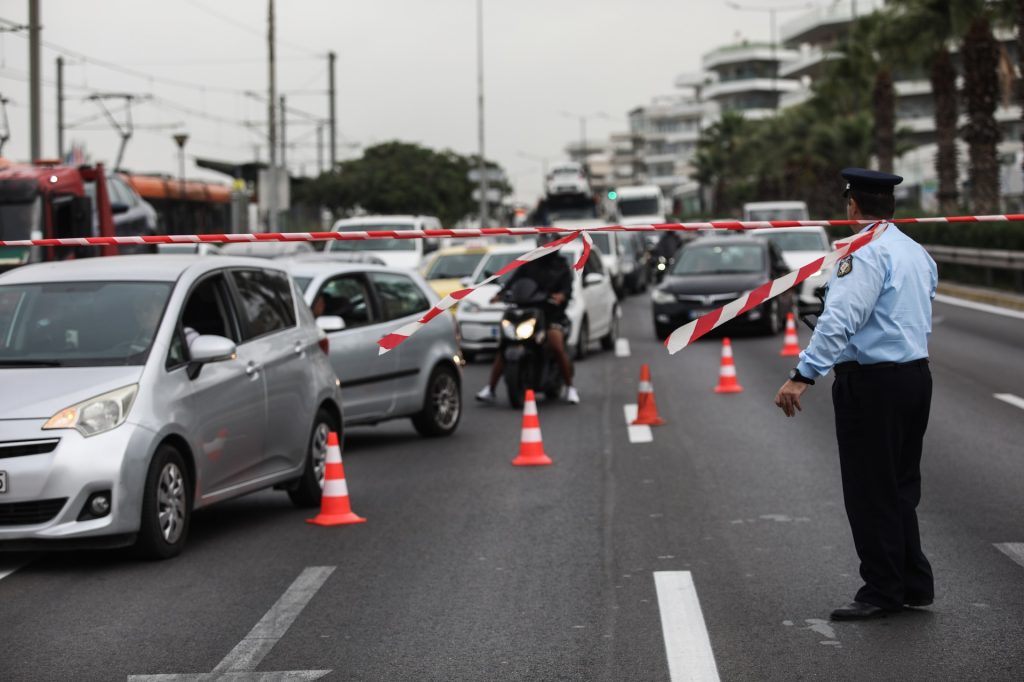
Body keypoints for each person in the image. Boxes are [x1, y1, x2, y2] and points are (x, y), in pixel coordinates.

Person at [773, 168, 938, 621]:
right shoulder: (916, 251)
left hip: (873, 384)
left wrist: (803, 374)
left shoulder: (862, 253)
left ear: (853, 206)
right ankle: (913, 582)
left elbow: (840, 319)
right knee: (900, 487)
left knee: (870, 489)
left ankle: (882, 589)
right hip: (914, 377)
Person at [476, 233, 579, 404]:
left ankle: (570, 387)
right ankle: (490, 388)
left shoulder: (561, 267)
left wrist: (561, 296)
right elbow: (513, 282)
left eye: (548, 242)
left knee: (556, 344)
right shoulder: (529, 262)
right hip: (525, 312)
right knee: (505, 345)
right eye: (542, 242)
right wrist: (501, 294)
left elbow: (567, 290)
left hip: (550, 315)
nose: (545, 245)